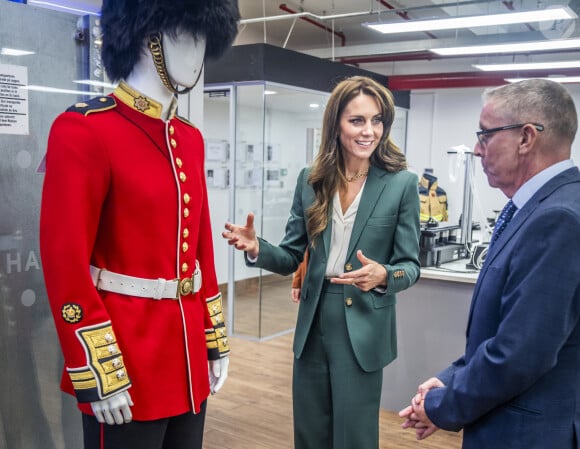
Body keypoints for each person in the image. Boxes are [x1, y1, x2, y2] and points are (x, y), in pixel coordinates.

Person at [39, 1, 239, 448]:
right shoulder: (84, 130)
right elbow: (64, 265)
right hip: (126, 359)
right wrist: (96, 367)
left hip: (187, 359)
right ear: (149, 40)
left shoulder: (189, 139)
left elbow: (199, 253)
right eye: (187, 36)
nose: (198, 53)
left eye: (204, 39)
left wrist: (213, 340)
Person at [223, 75, 421, 449]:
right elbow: (290, 256)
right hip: (314, 323)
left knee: (354, 437)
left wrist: (383, 275)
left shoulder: (401, 184)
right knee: (310, 433)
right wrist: (255, 248)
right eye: (357, 120)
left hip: (363, 321)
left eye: (377, 120)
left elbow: (410, 266)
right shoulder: (311, 180)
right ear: (335, 124)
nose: (369, 131)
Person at [399, 78, 580, 449]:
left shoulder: (558, 218)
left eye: (485, 135)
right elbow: (501, 332)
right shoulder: (537, 208)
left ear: (526, 138)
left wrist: (441, 405)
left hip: (528, 433)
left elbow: (519, 353)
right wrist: (451, 378)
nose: (478, 150)